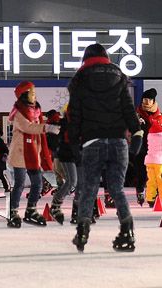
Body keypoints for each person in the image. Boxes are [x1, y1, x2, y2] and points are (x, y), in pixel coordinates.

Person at [68, 43, 143, 252]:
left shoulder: (80, 80)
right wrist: (136, 133)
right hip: (119, 141)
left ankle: (82, 230)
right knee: (117, 188)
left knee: (89, 188)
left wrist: (74, 143)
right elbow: (128, 108)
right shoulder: (118, 76)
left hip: (93, 142)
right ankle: (127, 229)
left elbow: (75, 115)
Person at [6, 81, 59, 228]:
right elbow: (28, 127)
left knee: (38, 184)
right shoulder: (19, 112)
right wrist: (47, 127)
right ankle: (13, 212)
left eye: (34, 92)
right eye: (31, 92)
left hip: (33, 153)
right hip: (21, 154)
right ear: (24, 94)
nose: (34, 95)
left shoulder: (36, 110)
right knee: (20, 184)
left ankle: (31, 210)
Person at [136, 88, 158, 207]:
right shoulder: (137, 114)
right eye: (145, 99)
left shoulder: (158, 115)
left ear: (153, 101)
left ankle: (153, 196)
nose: (147, 102)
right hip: (141, 147)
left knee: (155, 173)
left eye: (149, 99)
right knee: (142, 172)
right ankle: (140, 191)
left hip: (154, 148)